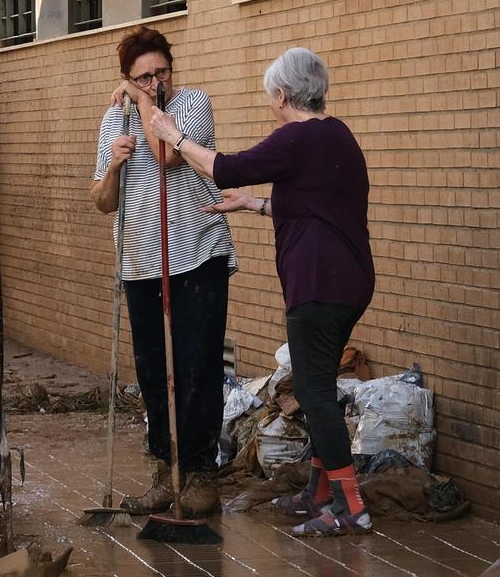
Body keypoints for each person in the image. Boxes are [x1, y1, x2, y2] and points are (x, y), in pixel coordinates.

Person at [148, 47, 377, 536]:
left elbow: (224, 167)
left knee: (314, 391)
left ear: (282, 94)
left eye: (270, 96)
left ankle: (349, 507)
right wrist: (256, 205)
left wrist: (175, 137)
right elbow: (319, 207)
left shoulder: (296, 137)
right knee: (318, 387)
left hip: (317, 284)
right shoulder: (338, 136)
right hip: (348, 282)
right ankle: (319, 492)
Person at [91, 27, 235, 519]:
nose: (155, 83)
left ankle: (200, 475)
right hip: (140, 263)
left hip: (196, 257)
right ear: (126, 78)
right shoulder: (114, 122)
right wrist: (113, 166)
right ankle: (164, 471)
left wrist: (139, 99)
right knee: (154, 372)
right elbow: (103, 202)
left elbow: (167, 155)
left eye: (160, 73)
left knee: (196, 367)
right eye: (143, 76)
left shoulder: (193, 104)